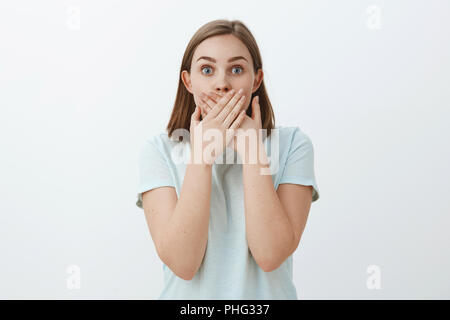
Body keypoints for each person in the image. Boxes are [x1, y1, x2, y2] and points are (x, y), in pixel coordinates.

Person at [135, 19, 320, 300]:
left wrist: (252, 150)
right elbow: (183, 264)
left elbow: (270, 255)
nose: (221, 84)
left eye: (236, 69)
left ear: (256, 79)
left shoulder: (294, 144)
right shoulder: (159, 150)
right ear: (188, 81)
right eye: (207, 70)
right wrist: (201, 157)